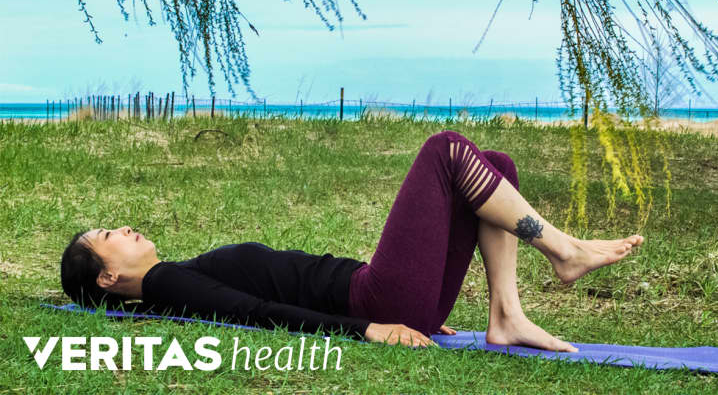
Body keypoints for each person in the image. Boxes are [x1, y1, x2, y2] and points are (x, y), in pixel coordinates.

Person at [60, 130, 643, 352]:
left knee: (494, 166)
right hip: (375, 303)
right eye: (109, 236)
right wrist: (368, 328)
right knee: (446, 151)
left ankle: (507, 316)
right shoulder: (166, 283)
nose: (125, 229)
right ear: (107, 277)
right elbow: (260, 315)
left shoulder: (175, 278)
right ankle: (564, 251)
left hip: (392, 298)